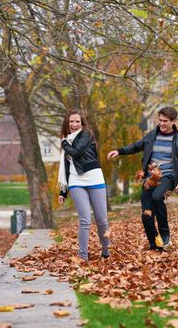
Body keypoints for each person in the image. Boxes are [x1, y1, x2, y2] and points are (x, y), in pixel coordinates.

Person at [108, 107, 178, 251]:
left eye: (165, 121)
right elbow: (137, 146)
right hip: (150, 178)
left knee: (157, 196)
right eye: (160, 120)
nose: (161, 123)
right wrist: (120, 151)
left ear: (174, 121)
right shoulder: (152, 135)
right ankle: (156, 244)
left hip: (168, 176)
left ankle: (165, 234)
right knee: (146, 215)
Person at [58, 108, 109, 261]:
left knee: (102, 220)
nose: (74, 124)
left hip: (95, 179)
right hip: (76, 181)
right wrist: (63, 191)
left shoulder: (86, 134)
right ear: (67, 123)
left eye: (77, 121)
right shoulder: (67, 139)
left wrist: (63, 142)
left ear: (82, 123)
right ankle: (82, 256)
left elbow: (76, 151)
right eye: (71, 121)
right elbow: (66, 167)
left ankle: (106, 250)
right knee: (85, 219)